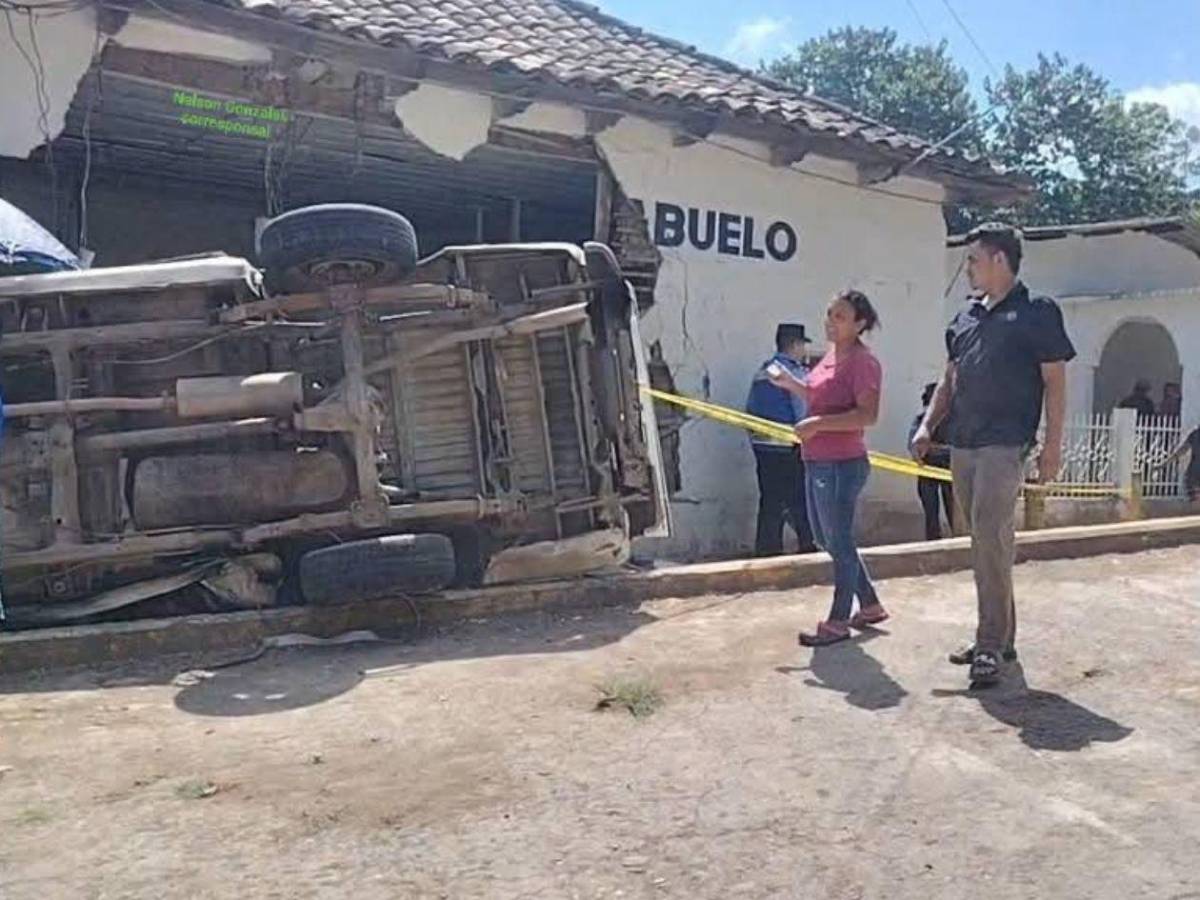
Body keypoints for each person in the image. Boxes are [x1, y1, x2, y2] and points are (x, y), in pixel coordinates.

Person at [911, 223, 1075, 687]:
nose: (967, 268)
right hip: (963, 441)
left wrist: (1052, 446)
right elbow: (950, 379)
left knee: (988, 532)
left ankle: (988, 645)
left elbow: (1055, 381)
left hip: (1006, 443)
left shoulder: (1037, 313)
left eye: (973, 260)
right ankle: (1001, 637)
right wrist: (928, 425)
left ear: (1000, 260)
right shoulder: (965, 319)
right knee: (986, 541)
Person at [768, 290, 885, 647]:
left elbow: (868, 415)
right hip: (818, 460)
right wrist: (792, 385)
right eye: (830, 314)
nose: (830, 323)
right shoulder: (832, 358)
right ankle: (869, 605)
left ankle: (838, 620)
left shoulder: (864, 363)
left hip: (841, 463)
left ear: (859, 324)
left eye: (840, 317)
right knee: (828, 538)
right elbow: (820, 396)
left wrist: (816, 425)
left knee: (838, 539)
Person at [744, 323, 816, 556]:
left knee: (770, 500)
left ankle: (767, 550)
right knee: (800, 498)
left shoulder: (763, 371)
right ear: (794, 345)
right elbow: (801, 408)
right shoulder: (791, 372)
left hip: (763, 447)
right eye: (803, 345)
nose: (804, 351)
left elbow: (750, 409)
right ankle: (809, 545)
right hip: (789, 446)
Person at [910, 382, 955, 541]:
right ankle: (933, 545)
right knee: (931, 513)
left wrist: (933, 448)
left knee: (954, 512)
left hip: (950, 472)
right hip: (927, 472)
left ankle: (957, 546)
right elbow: (914, 446)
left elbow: (958, 447)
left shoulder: (953, 422)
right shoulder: (922, 421)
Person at [1158, 425, 1200, 501]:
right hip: (1194, 472)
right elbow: (1181, 451)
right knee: (1193, 494)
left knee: (1193, 494)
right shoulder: (1194, 435)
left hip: (1194, 472)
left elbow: (1181, 451)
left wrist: (1163, 464)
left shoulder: (1194, 434)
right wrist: (1163, 464)